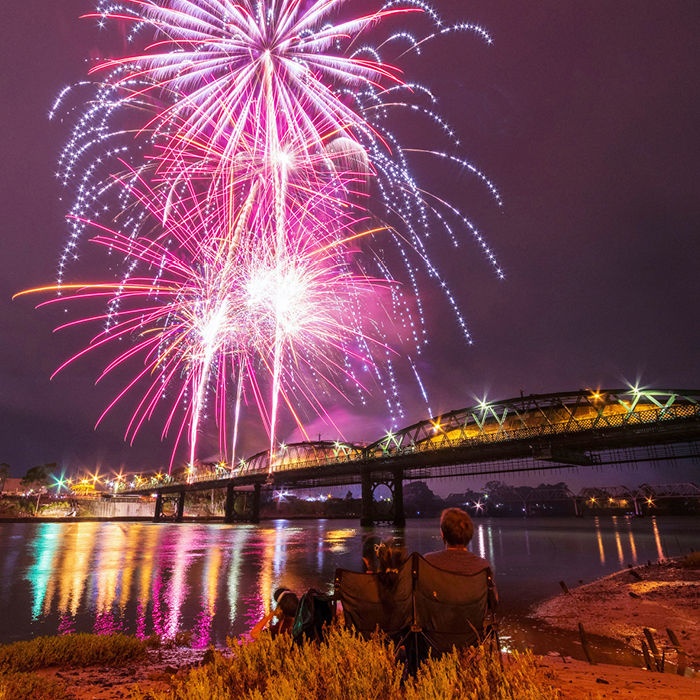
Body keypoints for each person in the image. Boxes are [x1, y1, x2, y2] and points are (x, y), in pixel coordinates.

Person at [424, 508, 498, 603]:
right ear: (470, 535)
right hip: (472, 617)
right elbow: (493, 601)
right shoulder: (483, 566)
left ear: (443, 535)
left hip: (437, 616)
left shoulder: (427, 562)